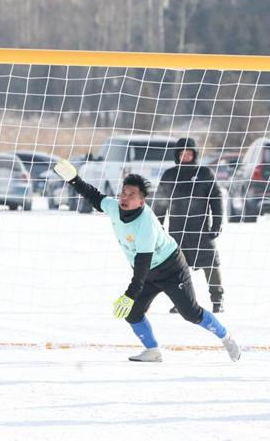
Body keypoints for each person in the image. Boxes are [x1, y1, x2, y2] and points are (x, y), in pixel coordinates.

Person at [53, 161, 240, 363]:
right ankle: (153, 350)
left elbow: (142, 263)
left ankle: (225, 336)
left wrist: (130, 294)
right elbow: (94, 196)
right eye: (124, 192)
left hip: (171, 269)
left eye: (131, 195)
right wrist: (74, 179)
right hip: (147, 273)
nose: (124, 197)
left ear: (141, 202)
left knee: (191, 313)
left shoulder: (145, 224)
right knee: (133, 314)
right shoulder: (115, 208)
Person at [153, 137, 225, 313]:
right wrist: (157, 227)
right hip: (177, 230)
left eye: (189, 153)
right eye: (182, 153)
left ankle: (218, 299)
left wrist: (217, 223)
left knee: (211, 263)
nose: (185, 155)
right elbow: (161, 203)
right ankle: (182, 302)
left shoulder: (204, 173)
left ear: (195, 154)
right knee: (177, 268)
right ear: (177, 155)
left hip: (201, 229)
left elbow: (216, 199)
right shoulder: (169, 175)